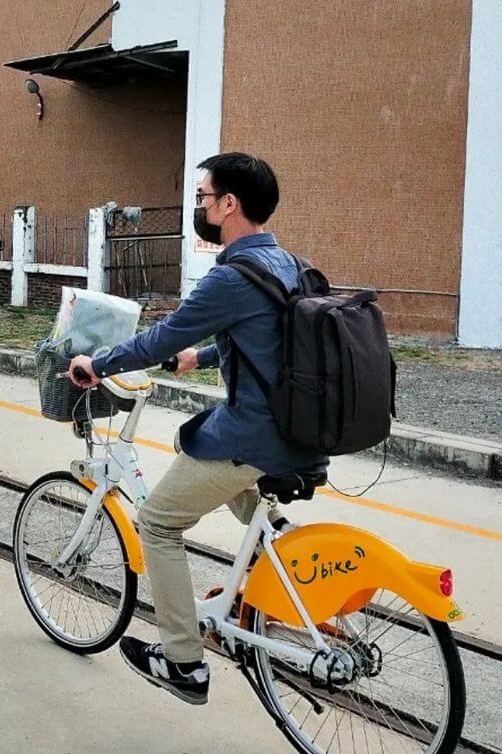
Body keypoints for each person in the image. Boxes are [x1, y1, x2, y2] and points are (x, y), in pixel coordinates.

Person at [68, 153, 327, 705]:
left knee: (157, 521)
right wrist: (204, 356)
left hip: (254, 433)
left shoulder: (232, 276)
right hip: (298, 430)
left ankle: (184, 661)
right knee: (240, 495)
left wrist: (99, 364)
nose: (200, 208)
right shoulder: (288, 264)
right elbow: (271, 340)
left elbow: (158, 339)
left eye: (204, 198)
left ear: (229, 204)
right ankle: (284, 577)